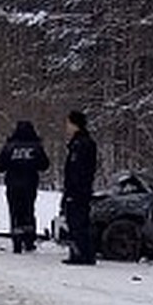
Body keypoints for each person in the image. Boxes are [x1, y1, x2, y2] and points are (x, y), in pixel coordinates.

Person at [0, 120, 50, 253]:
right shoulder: (36, 146)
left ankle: (17, 241)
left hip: (13, 184)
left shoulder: (10, 146)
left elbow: (0, 164)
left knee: (15, 211)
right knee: (29, 210)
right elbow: (44, 165)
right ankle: (29, 240)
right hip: (30, 183)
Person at [62, 109, 99, 265]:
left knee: (77, 221)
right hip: (81, 189)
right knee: (79, 220)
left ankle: (81, 254)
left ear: (75, 124)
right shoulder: (83, 142)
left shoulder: (81, 144)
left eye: (68, 123)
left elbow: (77, 170)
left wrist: (72, 190)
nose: (66, 127)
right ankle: (82, 252)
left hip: (78, 190)